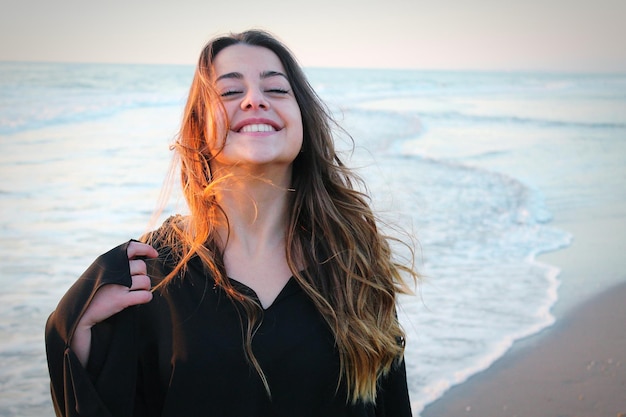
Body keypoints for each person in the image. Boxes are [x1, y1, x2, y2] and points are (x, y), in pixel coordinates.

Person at [45, 29, 418, 417]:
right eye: (228, 93)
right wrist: (75, 335)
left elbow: (391, 403)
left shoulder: (351, 260)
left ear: (303, 120)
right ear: (200, 129)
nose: (255, 99)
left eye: (276, 90)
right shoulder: (153, 271)